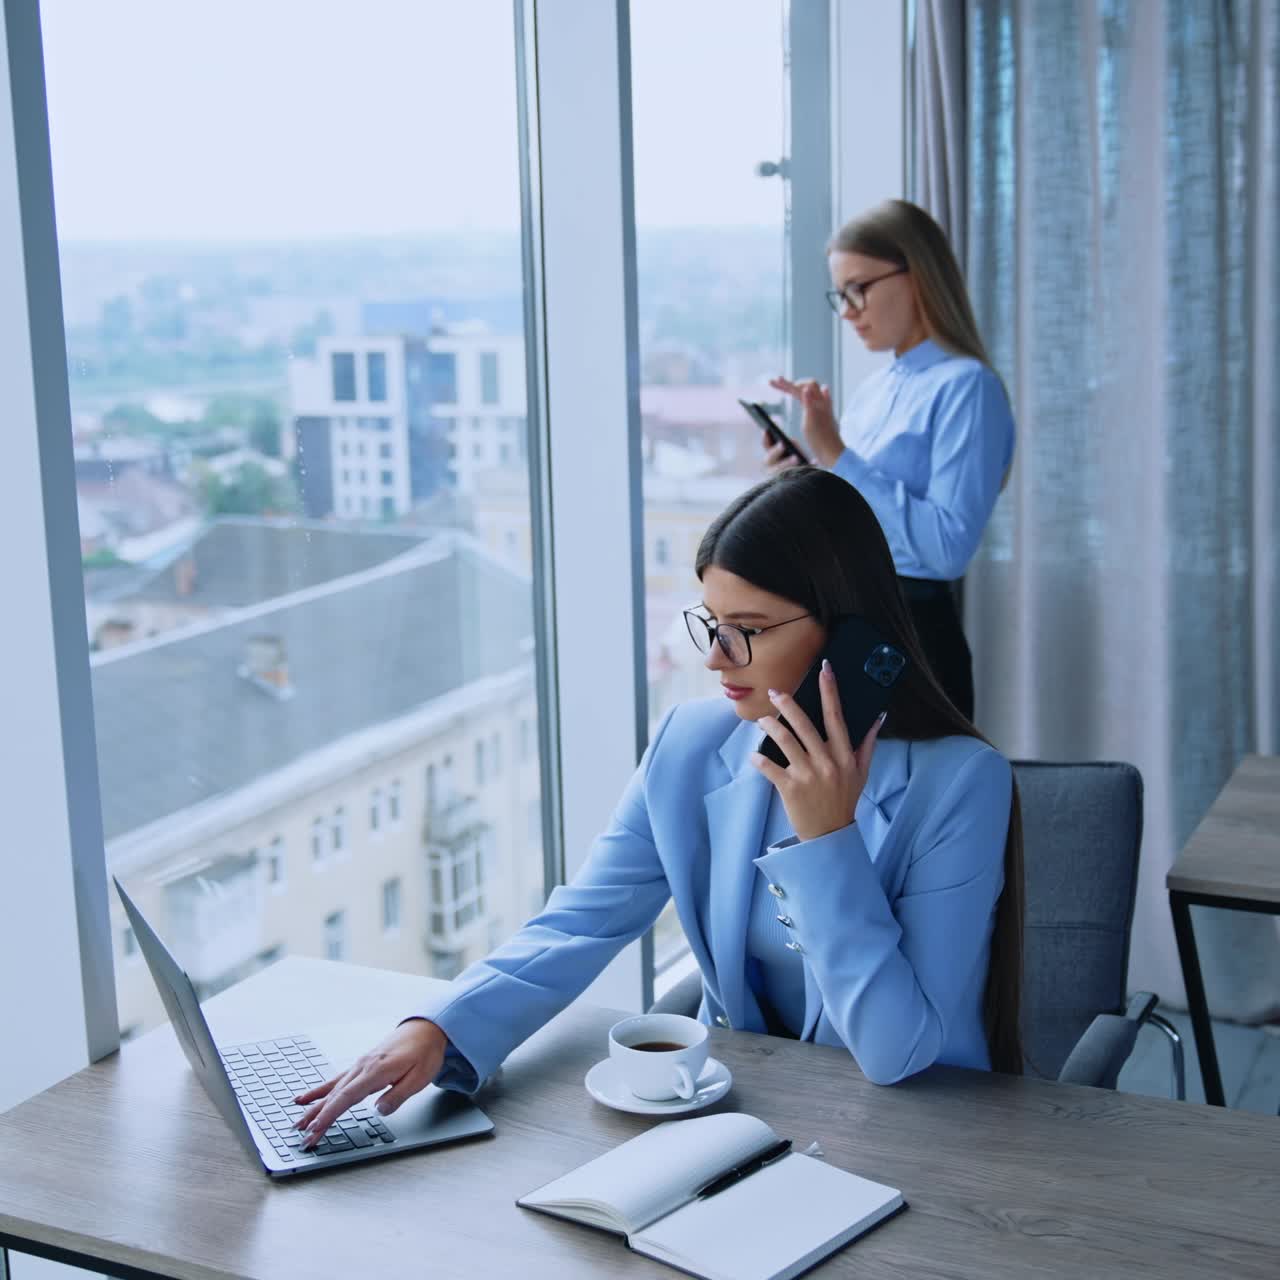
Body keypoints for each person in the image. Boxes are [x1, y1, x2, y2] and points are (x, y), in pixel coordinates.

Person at [294, 468, 1024, 1148]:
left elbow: (899, 1052)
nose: (715, 657)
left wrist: (828, 837)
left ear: (846, 632)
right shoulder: (689, 745)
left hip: (922, 1133)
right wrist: (440, 1027)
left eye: (749, 628)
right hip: (739, 1122)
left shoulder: (960, 784)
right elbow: (584, 917)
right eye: (711, 622)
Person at [767, 198, 1016, 721]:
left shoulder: (967, 388)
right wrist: (809, 475)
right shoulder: (876, 389)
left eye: (859, 288)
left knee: (891, 798)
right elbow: (857, 514)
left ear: (916, 274)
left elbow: (947, 549)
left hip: (911, 637)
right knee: (802, 784)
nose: (849, 311)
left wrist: (836, 451)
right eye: (841, 295)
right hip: (847, 624)